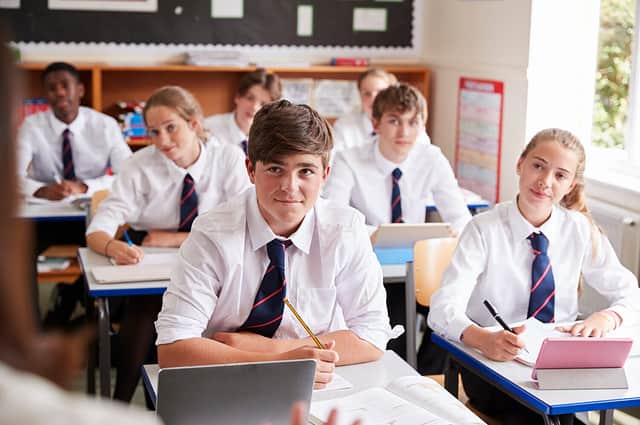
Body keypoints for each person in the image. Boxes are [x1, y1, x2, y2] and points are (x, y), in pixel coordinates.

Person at [156, 99, 397, 389]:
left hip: (318, 386)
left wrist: (273, 350)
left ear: (325, 175)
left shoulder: (346, 230)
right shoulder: (212, 233)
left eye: (305, 171)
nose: (290, 186)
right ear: (250, 170)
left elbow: (372, 335)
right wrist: (279, 364)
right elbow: (172, 347)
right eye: (275, 170)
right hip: (227, 382)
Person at [428, 128, 640, 425]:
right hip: (492, 366)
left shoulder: (580, 229)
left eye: (560, 175)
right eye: (538, 165)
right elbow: (441, 310)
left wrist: (608, 317)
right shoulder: (483, 229)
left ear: (571, 185)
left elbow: (630, 293)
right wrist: (482, 338)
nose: (545, 181)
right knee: (543, 417)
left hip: (558, 366)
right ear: (520, 164)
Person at [85, 86, 251, 402]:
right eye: (153, 132)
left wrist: (172, 239)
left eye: (171, 127)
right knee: (149, 304)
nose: (162, 141)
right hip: (151, 271)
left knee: (180, 309)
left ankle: (176, 403)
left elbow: (244, 225)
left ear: (194, 123)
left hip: (215, 269)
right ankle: (123, 403)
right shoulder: (139, 165)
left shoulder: (228, 158)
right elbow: (100, 226)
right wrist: (111, 246)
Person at [323, 83, 471, 362]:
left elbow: (461, 217)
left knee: (455, 313)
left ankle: (427, 375)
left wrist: (450, 234)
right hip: (370, 262)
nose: (404, 132)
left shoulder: (431, 158)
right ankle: (398, 372)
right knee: (393, 323)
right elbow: (333, 217)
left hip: (414, 262)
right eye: (394, 121)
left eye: (412, 122)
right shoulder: (348, 160)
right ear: (376, 123)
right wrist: (375, 234)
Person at [16, 61, 133, 328]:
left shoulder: (105, 125)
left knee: (116, 251)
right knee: (18, 255)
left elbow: (128, 173)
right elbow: (12, 175)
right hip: (47, 217)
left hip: (94, 215)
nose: (59, 93)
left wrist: (86, 187)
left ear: (80, 90)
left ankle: (73, 304)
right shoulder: (31, 126)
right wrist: (40, 190)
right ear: (45, 95)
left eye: (65, 85)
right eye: (52, 88)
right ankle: (34, 329)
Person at [331, 69, 429, 153]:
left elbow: (425, 158)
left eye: (380, 92)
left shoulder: (411, 125)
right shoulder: (343, 127)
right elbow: (334, 164)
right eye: (367, 93)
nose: (373, 99)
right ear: (359, 95)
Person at [203, 68, 281, 154]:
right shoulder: (208, 128)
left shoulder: (274, 138)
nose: (254, 107)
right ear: (238, 97)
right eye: (250, 98)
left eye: (263, 104)